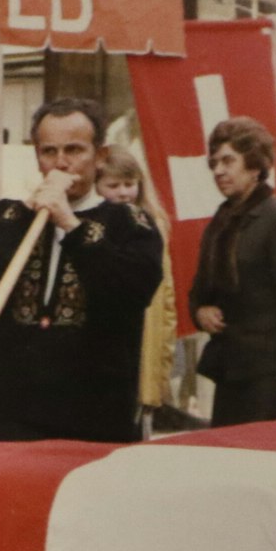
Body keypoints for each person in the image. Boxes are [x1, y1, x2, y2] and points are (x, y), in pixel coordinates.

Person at [0, 98, 164, 444]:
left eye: (74, 150)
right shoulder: (14, 215)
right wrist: (25, 213)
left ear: (100, 156)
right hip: (17, 405)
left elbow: (136, 287)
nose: (61, 163)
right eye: (49, 151)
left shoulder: (128, 221)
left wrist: (70, 224)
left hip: (94, 406)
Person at [189, 117, 276, 426]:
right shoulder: (221, 221)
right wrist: (200, 311)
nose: (218, 171)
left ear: (255, 166)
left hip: (270, 371)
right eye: (214, 162)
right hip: (230, 367)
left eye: (228, 161)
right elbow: (200, 289)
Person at [94, 148, 179, 432]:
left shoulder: (153, 227)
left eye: (129, 184)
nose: (123, 193)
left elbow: (166, 302)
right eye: (113, 185)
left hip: (144, 354)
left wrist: (161, 373)